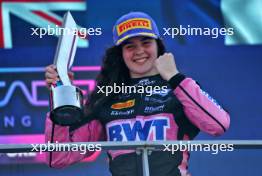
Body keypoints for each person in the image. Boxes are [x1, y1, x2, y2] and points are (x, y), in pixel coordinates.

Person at [44, 12, 230, 176]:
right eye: (130, 46)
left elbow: (219, 124)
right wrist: (61, 95)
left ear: (158, 46)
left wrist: (174, 78)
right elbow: (59, 157)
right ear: (121, 53)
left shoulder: (180, 89)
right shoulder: (107, 98)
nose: (139, 51)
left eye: (146, 42)